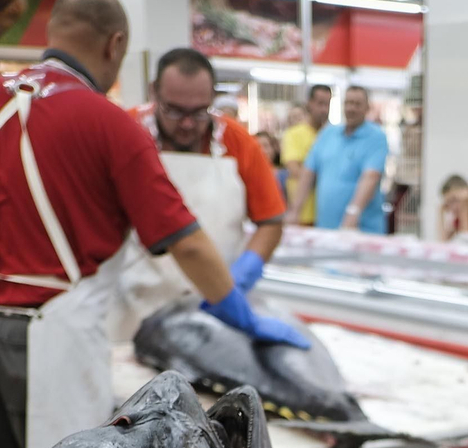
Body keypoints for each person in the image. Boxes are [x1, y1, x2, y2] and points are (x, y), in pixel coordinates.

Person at [0, 0, 304, 448]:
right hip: (51, 339)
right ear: (116, 43)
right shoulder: (109, 123)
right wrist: (235, 308)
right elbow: (189, 243)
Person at [122, 48, 286, 321]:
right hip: (133, 307)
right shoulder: (124, 133)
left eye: (199, 112)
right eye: (174, 111)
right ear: (154, 93)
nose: (187, 124)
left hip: (215, 306)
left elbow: (271, 221)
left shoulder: (239, 143)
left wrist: (245, 271)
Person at [288, 85, 387, 234]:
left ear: (367, 107)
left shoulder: (376, 137)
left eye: (357, 104)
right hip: (326, 227)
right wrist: (295, 210)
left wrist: (353, 213)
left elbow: (371, 177)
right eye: (348, 103)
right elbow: (308, 172)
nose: (351, 108)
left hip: (361, 229)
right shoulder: (328, 133)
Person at [281, 84, 329, 226]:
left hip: (327, 215)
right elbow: (294, 169)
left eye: (327, 104)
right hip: (302, 215)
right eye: (320, 104)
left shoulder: (332, 135)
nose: (324, 109)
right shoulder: (293, 134)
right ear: (309, 103)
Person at [438, 174, 468, 240]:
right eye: (448, 203)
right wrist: (441, 214)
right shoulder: (457, 221)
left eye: (455, 200)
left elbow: (467, 238)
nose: (453, 207)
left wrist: (464, 205)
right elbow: (443, 242)